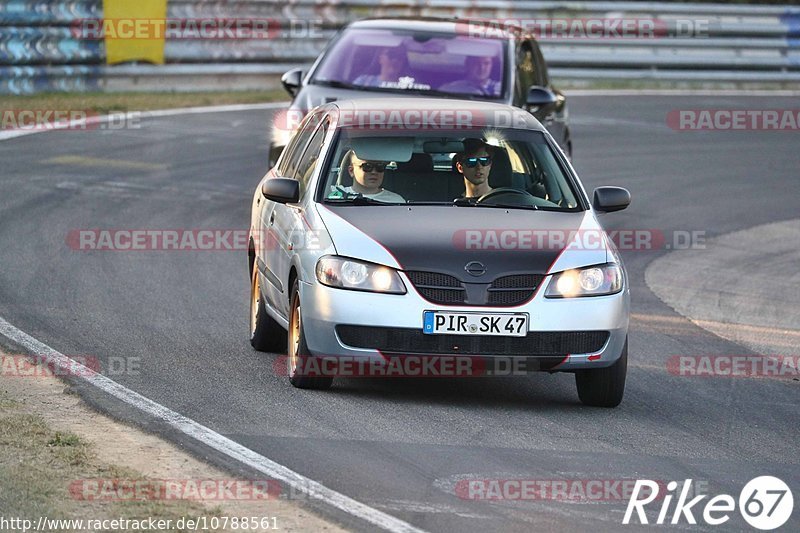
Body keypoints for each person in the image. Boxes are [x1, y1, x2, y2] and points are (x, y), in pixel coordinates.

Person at [335, 151, 405, 203]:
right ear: (351, 171)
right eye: (367, 166)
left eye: (380, 167)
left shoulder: (396, 201)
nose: (374, 172)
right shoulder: (334, 196)